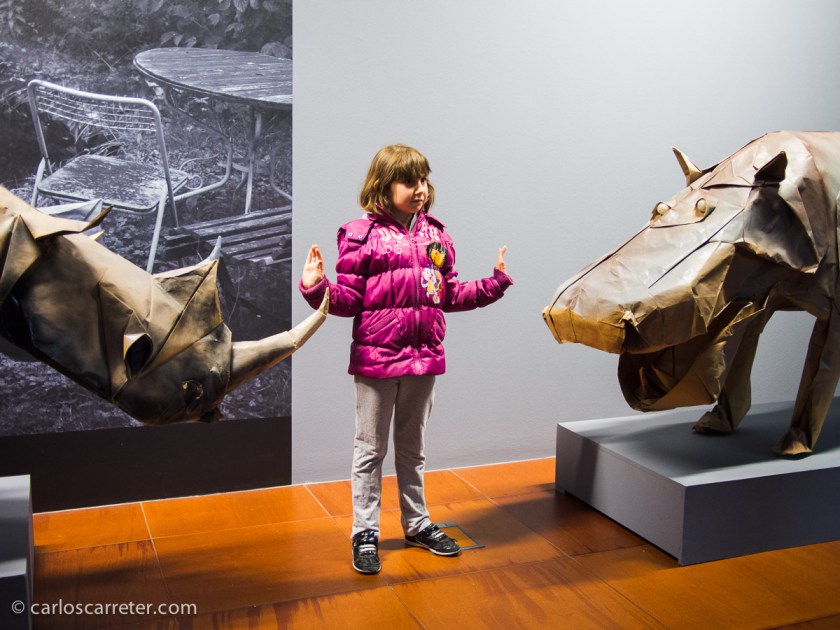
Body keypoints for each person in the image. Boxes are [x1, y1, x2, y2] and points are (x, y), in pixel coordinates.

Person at [299, 144, 512, 574]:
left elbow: (448, 295)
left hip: (424, 360)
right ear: (383, 186)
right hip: (377, 362)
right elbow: (350, 299)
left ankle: (417, 524)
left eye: (424, 180)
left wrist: (495, 283)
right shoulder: (360, 235)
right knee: (370, 450)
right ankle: (365, 532)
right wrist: (316, 288)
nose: (420, 189)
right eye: (409, 181)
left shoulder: (436, 235)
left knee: (412, 450)